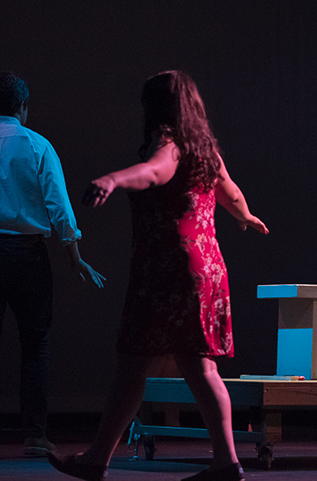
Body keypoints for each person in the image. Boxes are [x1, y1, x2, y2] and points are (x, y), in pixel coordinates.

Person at [48, 70, 268, 481]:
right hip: (206, 266)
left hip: (170, 269)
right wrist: (245, 217)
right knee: (181, 367)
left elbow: (154, 172)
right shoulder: (206, 151)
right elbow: (232, 193)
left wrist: (113, 179)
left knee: (138, 363)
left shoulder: (168, 143)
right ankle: (220, 461)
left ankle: (105, 459)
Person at [0, 72, 105, 461]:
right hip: (26, 254)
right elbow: (58, 205)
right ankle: (34, 436)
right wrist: (74, 256)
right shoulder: (37, 145)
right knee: (35, 345)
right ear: (23, 107)